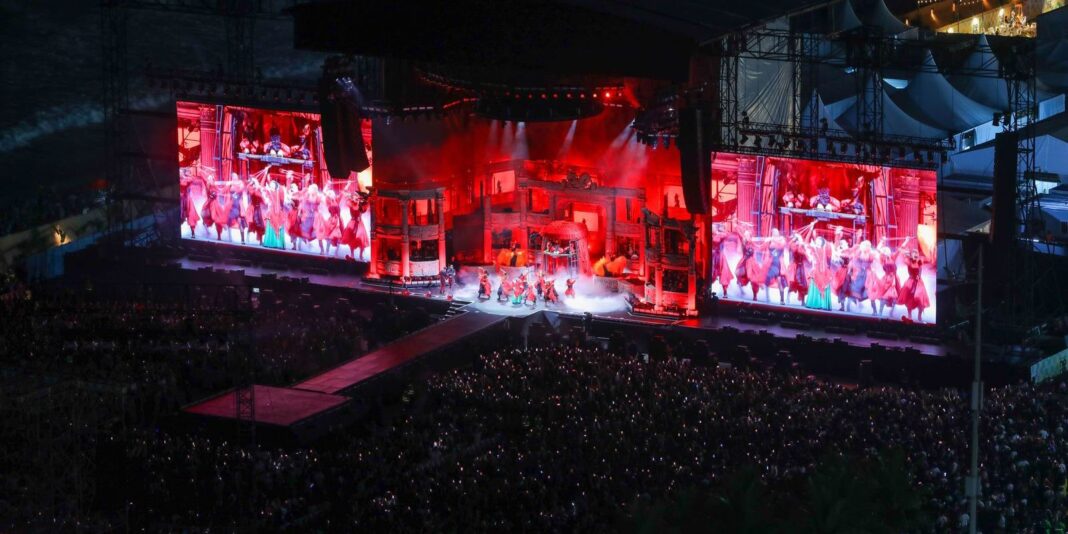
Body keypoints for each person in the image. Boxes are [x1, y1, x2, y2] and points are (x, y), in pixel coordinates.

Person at [897, 238, 930, 323]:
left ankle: (919, 316)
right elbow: (901, 250)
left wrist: (928, 248)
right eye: (914, 253)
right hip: (911, 281)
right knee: (909, 297)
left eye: (917, 253)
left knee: (920, 297)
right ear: (911, 255)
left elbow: (927, 260)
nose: (916, 254)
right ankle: (909, 315)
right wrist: (906, 241)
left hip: (918, 282)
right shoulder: (908, 261)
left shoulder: (919, 261)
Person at [763, 229, 788, 305]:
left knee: (776, 281)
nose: (775, 234)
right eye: (774, 233)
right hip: (771, 263)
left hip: (778, 264)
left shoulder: (781, 239)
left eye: (776, 232)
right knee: (772, 280)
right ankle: (769, 297)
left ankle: (780, 299)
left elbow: (781, 245)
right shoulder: (770, 240)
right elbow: (764, 248)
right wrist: (766, 241)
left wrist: (772, 239)